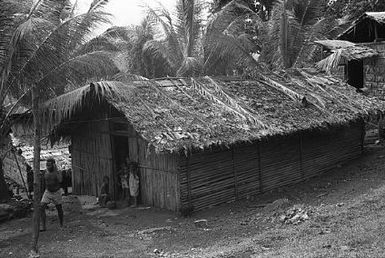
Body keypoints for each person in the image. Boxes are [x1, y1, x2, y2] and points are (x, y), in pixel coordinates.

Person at [40, 158, 63, 231]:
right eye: (47, 165)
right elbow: (43, 182)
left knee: (59, 208)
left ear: (53, 165)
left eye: (49, 165)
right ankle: (43, 227)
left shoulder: (57, 172)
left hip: (56, 192)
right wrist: (42, 192)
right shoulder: (45, 172)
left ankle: (61, 224)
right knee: (42, 207)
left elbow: (60, 180)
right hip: (48, 192)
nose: (47, 166)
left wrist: (56, 170)